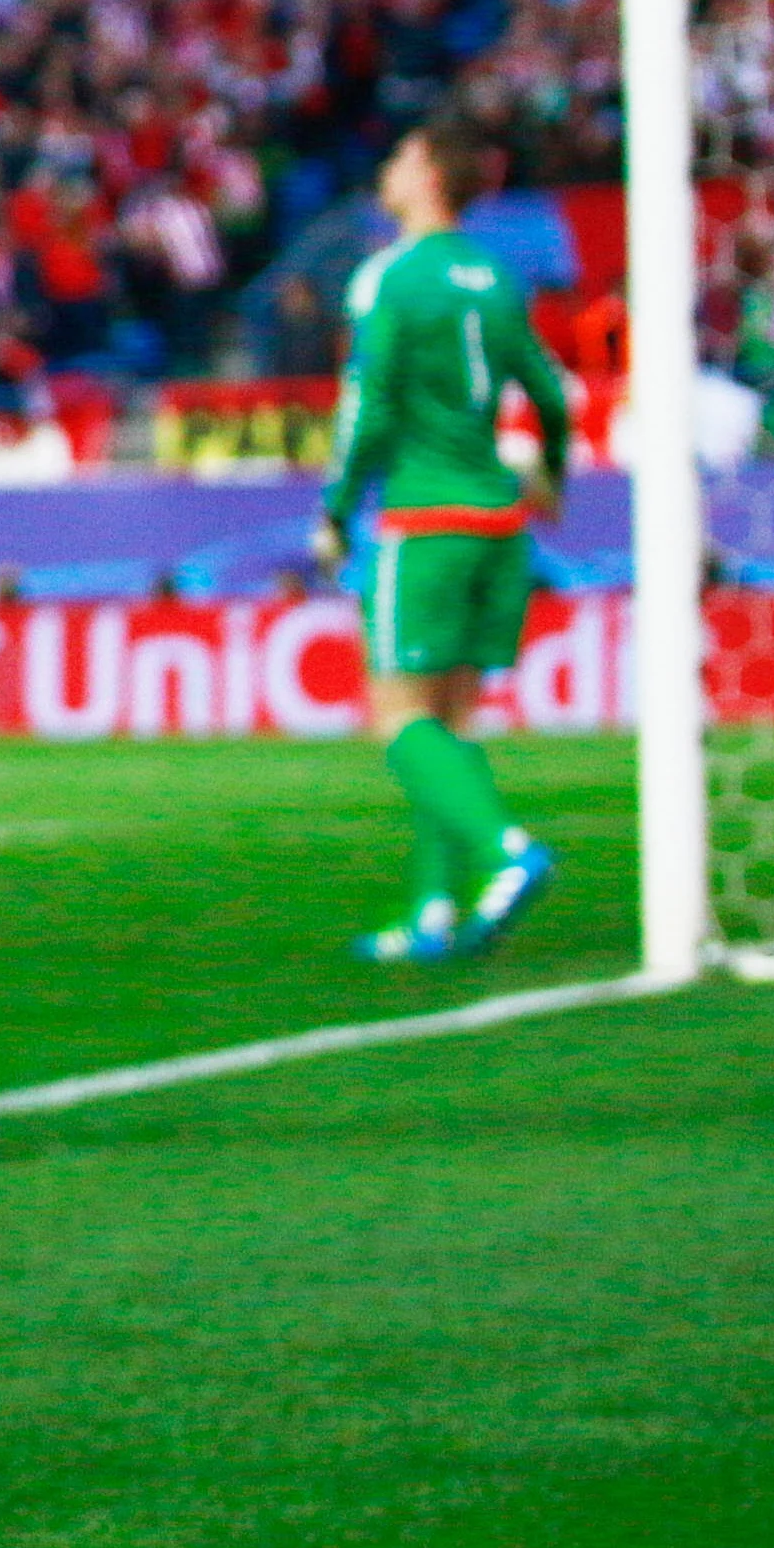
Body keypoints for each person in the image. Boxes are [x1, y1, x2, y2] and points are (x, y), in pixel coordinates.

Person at [313, 113, 572, 961]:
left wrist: (334, 508)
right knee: (450, 724)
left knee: (396, 718)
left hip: (424, 521)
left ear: (425, 170)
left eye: (395, 153)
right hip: (499, 524)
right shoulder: (495, 275)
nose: (385, 168)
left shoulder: (390, 277)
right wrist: (551, 479)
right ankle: (430, 912)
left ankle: (506, 850)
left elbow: (370, 404)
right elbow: (548, 391)